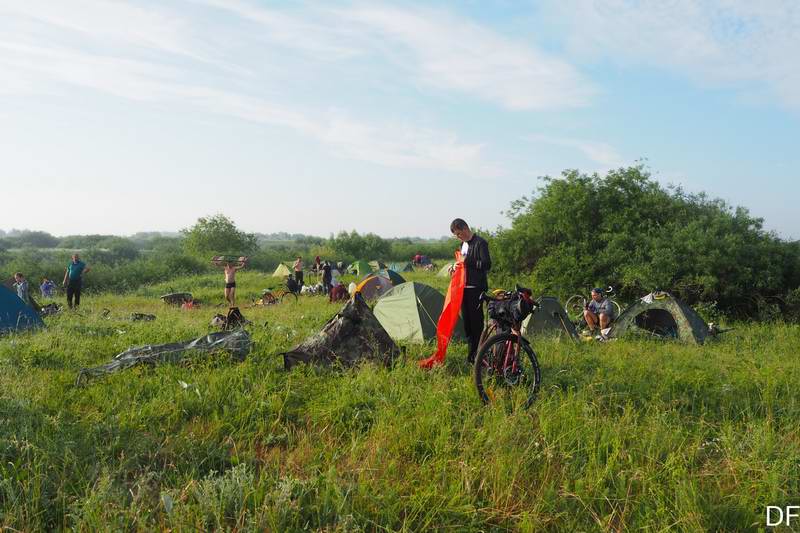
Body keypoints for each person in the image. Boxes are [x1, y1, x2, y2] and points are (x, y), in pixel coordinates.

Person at [450, 218, 491, 364]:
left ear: (465, 228)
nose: (458, 237)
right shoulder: (463, 245)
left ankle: (480, 356)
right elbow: (462, 264)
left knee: (476, 324)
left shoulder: (480, 243)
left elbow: (486, 264)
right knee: (467, 324)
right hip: (463, 289)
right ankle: (471, 356)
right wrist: (454, 268)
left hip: (476, 288)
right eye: (456, 235)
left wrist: (468, 262)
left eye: (459, 233)